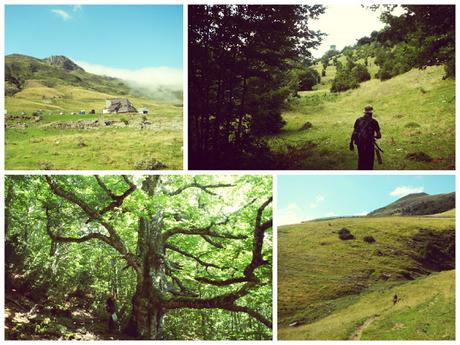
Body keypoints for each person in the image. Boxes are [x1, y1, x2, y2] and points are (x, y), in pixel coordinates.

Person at [349, 105, 381, 170]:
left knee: (361, 160)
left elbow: (354, 132)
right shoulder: (374, 122)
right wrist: (372, 136)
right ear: (371, 113)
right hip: (369, 144)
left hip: (360, 144)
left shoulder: (358, 120)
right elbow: (379, 136)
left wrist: (351, 143)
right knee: (369, 163)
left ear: (364, 112)